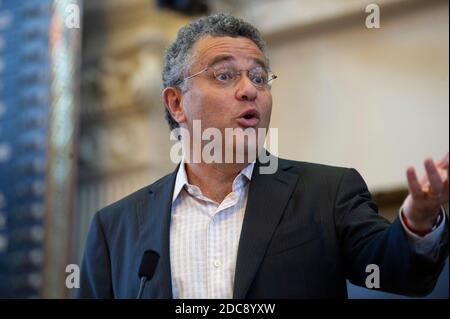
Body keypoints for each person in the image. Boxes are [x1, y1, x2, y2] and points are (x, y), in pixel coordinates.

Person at [78, 13, 449, 299]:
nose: (248, 90)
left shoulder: (327, 193)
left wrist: (417, 222)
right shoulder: (115, 229)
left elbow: (400, 273)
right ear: (176, 103)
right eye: (224, 75)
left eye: (258, 77)